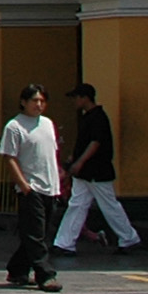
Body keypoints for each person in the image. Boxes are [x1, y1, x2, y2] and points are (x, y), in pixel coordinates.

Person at [50, 83, 142, 254]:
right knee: (79, 204)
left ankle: (129, 238)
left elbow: (95, 142)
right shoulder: (91, 117)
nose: (74, 102)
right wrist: (74, 159)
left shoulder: (97, 117)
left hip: (95, 171)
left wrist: (79, 162)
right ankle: (64, 243)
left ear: (85, 98)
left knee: (104, 205)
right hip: (89, 172)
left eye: (76, 98)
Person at [0, 83, 63, 290]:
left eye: (42, 101)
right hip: (31, 186)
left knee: (40, 231)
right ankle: (45, 274)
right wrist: (24, 185)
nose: (39, 104)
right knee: (35, 233)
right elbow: (10, 157)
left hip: (50, 186)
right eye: (34, 100)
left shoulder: (47, 124)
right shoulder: (15, 127)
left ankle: (17, 269)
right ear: (23, 102)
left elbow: (50, 153)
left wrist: (59, 175)